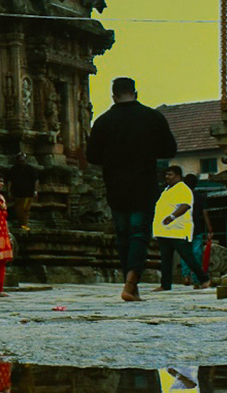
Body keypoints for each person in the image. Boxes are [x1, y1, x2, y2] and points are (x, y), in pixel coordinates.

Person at [86, 77, 177, 302]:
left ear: (113, 95)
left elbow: (92, 156)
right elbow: (169, 149)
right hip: (143, 183)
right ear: (135, 92)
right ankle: (131, 282)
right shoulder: (152, 117)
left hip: (115, 184)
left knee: (123, 235)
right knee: (139, 234)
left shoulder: (103, 121)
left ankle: (130, 283)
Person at [153, 166, 210, 291]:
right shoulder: (166, 190)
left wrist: (172, 216)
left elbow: (186, 205)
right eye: (166, 175)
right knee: (166, 258)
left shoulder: (183, 189)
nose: (167, 177)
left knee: (187, 256)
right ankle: (165, 284)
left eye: (170, 174)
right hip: (163, 230)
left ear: (178, 176)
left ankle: (204, 278)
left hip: (177, 230)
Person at [7, 153, 39, 231]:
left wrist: (35, 191)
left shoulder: (30, 169)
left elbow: (36, 180)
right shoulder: (14, 169)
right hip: (17, 194)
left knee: (25, 209)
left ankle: (24, 225)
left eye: (23, 161)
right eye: (20, 161)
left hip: (28, 194)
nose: (21, 162)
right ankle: (21, 224)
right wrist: (9, 191)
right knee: (18, 210)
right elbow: (10, 181)